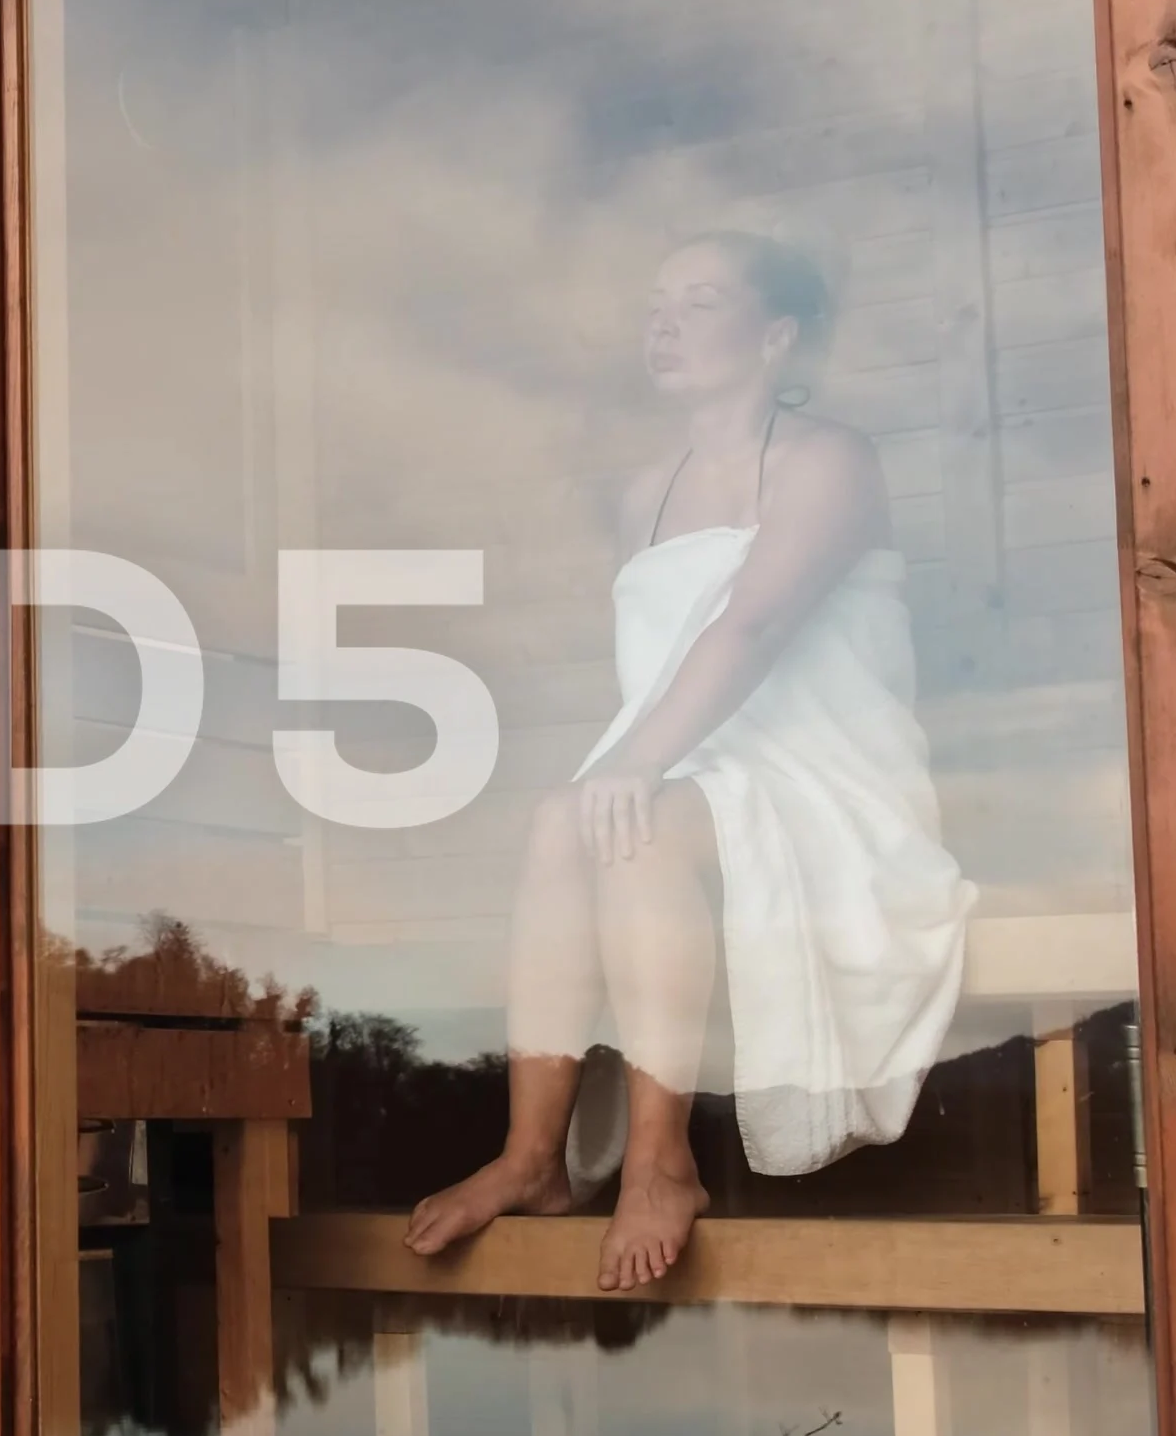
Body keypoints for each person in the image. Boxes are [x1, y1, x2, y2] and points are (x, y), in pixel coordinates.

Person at [404, 234, 973, 1291]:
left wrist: (637, 766)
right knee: (556, 821)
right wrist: (628, 767)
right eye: (656, 302)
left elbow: (752, 627)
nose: (663, 322)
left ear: (775, 334)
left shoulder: (830, 460)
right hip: (690, 763)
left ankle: (662, 1164)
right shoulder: (644, 494)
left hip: (822, 770)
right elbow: (655, 667)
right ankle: (533, 1160)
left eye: (701, 301)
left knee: (633, 824)